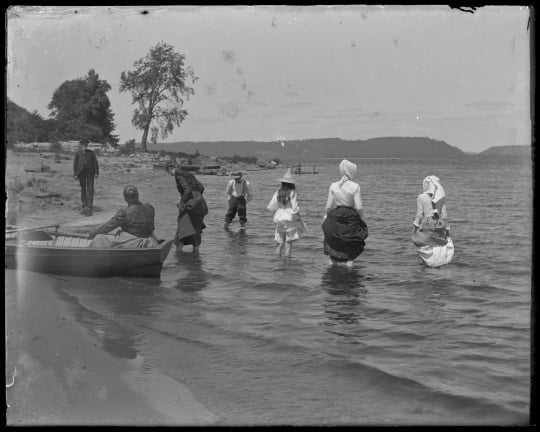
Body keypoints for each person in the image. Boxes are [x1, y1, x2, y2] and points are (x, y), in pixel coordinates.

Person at [322, 159, 368, 267]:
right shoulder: (355, 186)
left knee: (333, 252)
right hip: (350, 218)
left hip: (335, 217)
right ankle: (349, 279)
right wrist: (363, 220)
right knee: (350, 254)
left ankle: (331, 277)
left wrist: (326, 218)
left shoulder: (333, 185)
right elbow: (359, 207)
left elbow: (328, 207)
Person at [88, 185, 158, 248]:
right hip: (149, 238)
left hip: (134, 241)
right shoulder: (150, 208)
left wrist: (92, 234)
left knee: (100, 238)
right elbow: (151, 228)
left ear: (125, 198)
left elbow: (107, 228)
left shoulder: (124, 212)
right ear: (137, 196)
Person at [167, 164, 208, 252]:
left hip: (190, 203)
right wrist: (197, 197)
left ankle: (178, 256)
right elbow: (201, 187)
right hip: (200, 203)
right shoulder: (189, 174)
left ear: (171, 169)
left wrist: (182, 203)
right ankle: (196, 256)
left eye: (169, 172)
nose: (170, 174)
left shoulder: (178, 175)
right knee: (196, 229)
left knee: (182, 229)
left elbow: (187, 190)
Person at [266, 168, 307, 257]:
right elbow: (294, 207)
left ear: (282, 183)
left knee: (280, 242)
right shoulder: (292, 193)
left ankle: (278, 263)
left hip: (278, 218)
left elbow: (271, 206)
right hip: (288, 218)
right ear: (292, 183)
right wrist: (298, 218)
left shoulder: (278, 192)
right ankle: (287, 266)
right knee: (288, 244)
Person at [412, 175, 450, 247]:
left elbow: (419, 215)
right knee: (440, 238)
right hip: (439, 225)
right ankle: (438, 242)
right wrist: (448, 235)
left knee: (417, 239)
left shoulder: (421, 197)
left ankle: (428, 243)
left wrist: (414, 232)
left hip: (427, 225)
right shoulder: (442, 197)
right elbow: (444, 217)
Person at [73, 139, 99, 215]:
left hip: (90, 172)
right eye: (83, 145)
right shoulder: (77, 153)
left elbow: (95, 163)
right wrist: (75, 174)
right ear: (81, 145)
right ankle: (84, 203)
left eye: (86, 145)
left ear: (87, 145)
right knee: (83, 188)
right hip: (81, 173)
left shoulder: (91, 153)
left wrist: (97, 172)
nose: (84, 146)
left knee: (90, 188)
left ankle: (90, 204)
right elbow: (75, 164)